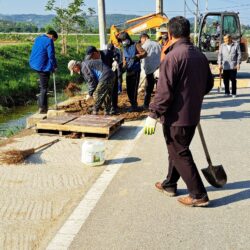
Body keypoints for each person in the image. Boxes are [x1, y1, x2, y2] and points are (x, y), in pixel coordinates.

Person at [143, 16, 214, 207]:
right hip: (192, 114)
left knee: (179, 152)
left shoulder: (172, 57)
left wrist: (153, 113)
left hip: (176, 117)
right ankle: (170, 184)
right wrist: (193, 97)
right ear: (187, 32)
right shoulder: (199, 55)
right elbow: (208, 84)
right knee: (176, 150)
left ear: (171, 34)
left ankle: (198, 194)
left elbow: (164, 93)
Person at [68, 48, 115, 115]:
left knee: (97, 94)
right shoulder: (85, 64)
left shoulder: (84, 67)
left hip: (105, 76)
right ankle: (107, 112)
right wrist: (91, 91)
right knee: (106, 94)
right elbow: (94, 81)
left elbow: (91, 81)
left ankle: (95, 111)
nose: (75, 72)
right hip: (111, 74)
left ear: (75, 66)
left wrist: (90, 94)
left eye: (74, 70)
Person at [29, 30, 58, 114]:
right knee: (44, 88)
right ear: (52, 36)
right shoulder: (49, 40)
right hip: (42, 66)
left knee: (42, 86)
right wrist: (54, 66)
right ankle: (43, 108)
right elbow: (51, 55)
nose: (53, 42)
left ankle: (42, 106)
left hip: (33, 64)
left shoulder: (38, 38)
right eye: (54, 40)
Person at [118, 32, 147, 112]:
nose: (123, 42)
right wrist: (123, 68)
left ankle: (134, 106)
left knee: (133, 89)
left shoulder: (136, 44)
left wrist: (137, 56)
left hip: (135, 70)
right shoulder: (124, 47)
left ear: (128, 39)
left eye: (124, 40)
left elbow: (144, 53)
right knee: (129, 89)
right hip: (128, 69)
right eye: (122, 40)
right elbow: (124, 59)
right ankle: (132, 104)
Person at [140, 33, 161, 109]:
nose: (141, 42)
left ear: (144, 38)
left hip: (149, 70)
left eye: (141, 40)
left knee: (148, 88)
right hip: (158, 68)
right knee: (159, 88)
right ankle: (158, 104)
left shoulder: (144, 46)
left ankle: (146, 105)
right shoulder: (158, 44)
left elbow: (141, 56)